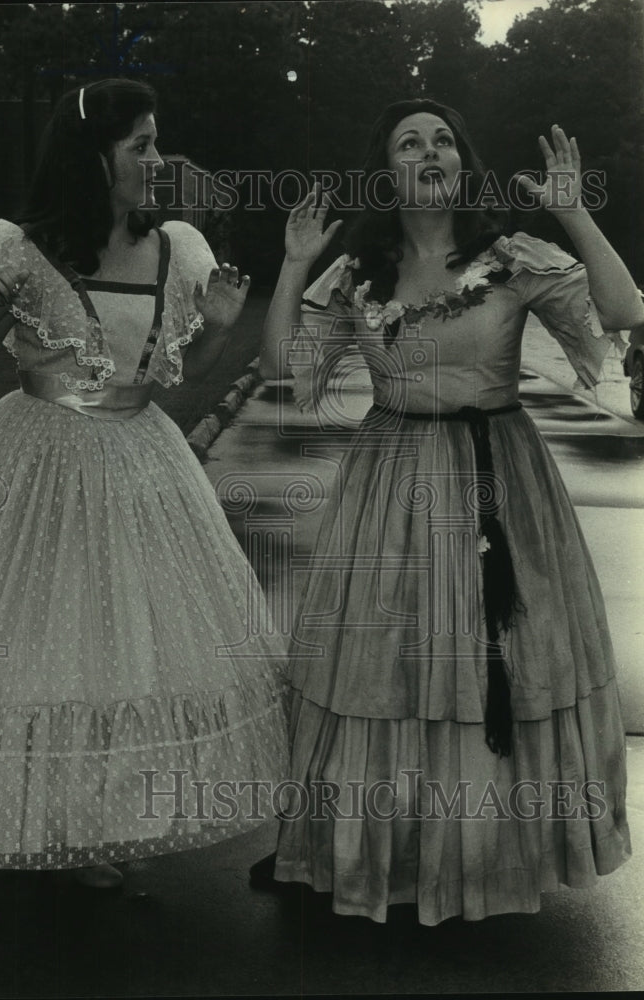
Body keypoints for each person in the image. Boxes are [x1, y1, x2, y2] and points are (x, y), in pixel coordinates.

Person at [0, 79, 289, 920]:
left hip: (138, 462)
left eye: (157, 142)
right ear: (93, 158)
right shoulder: (18, 251)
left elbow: (185, 377)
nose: (156, 161)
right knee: (11, 649)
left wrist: (224, 323)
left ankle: (89, 832)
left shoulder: (178, 250)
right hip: (32, 461)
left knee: (114, 648)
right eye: (141, 145)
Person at [251, 99, 640, 925]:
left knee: (493, 664)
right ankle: (381, 851)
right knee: (384, 668)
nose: (430, 152)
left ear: (461, 162)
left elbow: (624, 310)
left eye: (443, 140)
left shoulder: (510, 257)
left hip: (499, 479)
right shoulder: (359, 273)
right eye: (408, 142)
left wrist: (573, 214)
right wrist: (291, 268)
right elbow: (288, 370)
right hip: (388, 481)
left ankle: (488, 853)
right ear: (387, 171)